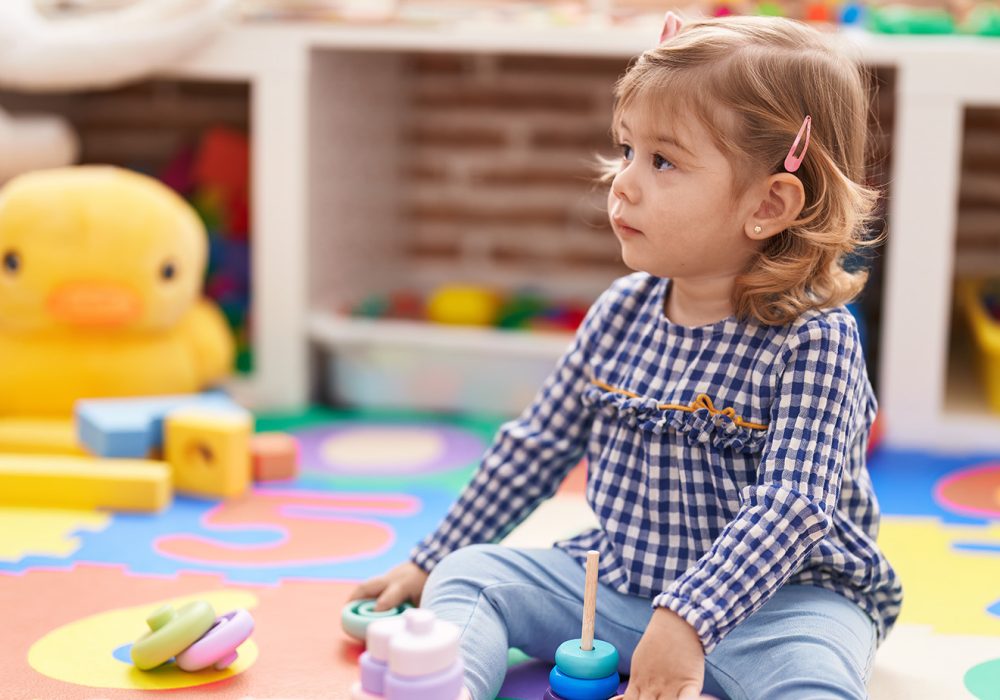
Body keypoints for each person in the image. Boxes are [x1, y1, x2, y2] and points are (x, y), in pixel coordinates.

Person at [348, 12, 903, 700]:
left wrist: (691, 619)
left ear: (770, 203)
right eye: (626, 149)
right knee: (470, 575)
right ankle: (447, 686)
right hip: (619, 583)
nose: (624, 183)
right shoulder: (620, 312)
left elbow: (792, 506)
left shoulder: (816, 341)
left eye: (663, 161)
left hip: (782, 607)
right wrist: (431, 559)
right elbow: (535, 447)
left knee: (813, 676)